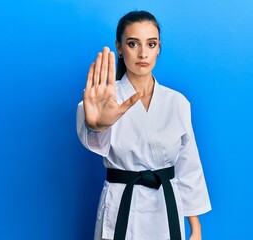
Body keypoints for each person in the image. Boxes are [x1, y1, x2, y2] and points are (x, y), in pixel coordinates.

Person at [77, 10, 211, 240]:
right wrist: (96, 125)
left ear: (159, 48)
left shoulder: (177, 102)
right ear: (119, 48)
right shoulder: (102, 101)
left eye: (151, 44)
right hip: (122, 203)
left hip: (165, 206)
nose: (142, 53)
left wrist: (196, 228)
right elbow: (96, 142)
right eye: (132, 43)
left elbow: (189, 166)